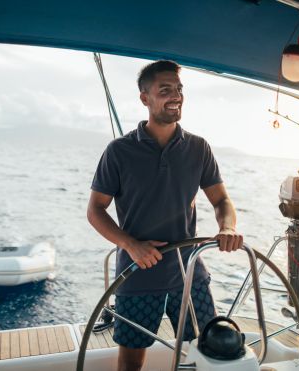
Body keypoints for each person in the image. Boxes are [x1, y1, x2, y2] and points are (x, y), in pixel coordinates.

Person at [87, 60, 243, 371]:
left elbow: (221, 199)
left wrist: (227, 227)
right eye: (165, 90)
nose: (176, 96)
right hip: (137, 274)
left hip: (189, 275)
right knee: (132, 361)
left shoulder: (199, 148)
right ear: (145, 98)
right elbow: (95, 210)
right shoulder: (118, 151)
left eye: (179, 89)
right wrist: (130, 244)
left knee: (208, 351)